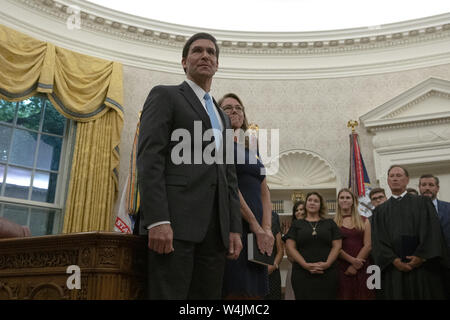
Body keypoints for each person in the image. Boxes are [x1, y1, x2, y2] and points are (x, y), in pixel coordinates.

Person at [136, 33, 243, 300]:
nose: (205, 55)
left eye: (211, 52)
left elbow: (229, 177)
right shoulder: (166, 96)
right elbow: (150, 160)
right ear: (184, 62)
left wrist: (233, 228)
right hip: (174, 225)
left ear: (217, 64)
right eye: (197, 51)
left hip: (215, 233)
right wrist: (158, 221)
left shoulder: (222, 117)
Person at [219, 93, 274, 299]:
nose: (234, 110)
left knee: (256, 294)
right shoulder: (218, 143)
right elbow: (230, 187)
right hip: (236, 226)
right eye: (228, 108)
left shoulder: (252, 150)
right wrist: (254, 224)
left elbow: (265, 192)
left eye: (238, 107)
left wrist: (267, 229)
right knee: (236, 291)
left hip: (259, 233)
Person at [371, 165, 449, 299]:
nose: (395, 179)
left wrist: (421, 256)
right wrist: (394, 260)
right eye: (392, 176)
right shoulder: (380, 211)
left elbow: (433, 232)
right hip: (394, 270)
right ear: (388, 181)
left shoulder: (423, 203)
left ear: (407, 180)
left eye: (399, 175)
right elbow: (378, 240)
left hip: (422, 268)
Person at [285, 192, 342, 300]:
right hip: (302, 273)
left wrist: (327, 264)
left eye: (316, 201)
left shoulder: (330, 223)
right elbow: (290, 247)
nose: (312, 203)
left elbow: (337, 246)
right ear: (306, 204)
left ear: (321, 205)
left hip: (328, 272)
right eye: (310, 200)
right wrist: (305, 265)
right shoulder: (297, 224)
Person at [334, 188, 374, 300]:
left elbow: (368, 245)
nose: (345, 200)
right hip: (342, 268)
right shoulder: (332, 223)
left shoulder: (364, 220)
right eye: (342, 198)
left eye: (348, 197)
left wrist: (355, 265)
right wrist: (352, 262)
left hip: (363, 266)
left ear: (353, 201)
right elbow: (335, 248)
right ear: (338, 201)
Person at [418, 174, 450, 298]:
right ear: (419, 188)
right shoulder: (411, 210)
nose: (427, 188)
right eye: (423, 185)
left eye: (431, 185)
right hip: (424, 266)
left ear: (437, 188)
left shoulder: (448, 208)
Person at [283, 200, 305, 300]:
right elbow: (289, 256)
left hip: (313, 268)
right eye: (296, 210)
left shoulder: (315, 227)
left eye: (301, 209)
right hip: (295, 267)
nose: (299, 212)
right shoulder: (291, 230)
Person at [265, 211, 284, 300]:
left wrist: (273, 266)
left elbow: (280, 250)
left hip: (272, 270)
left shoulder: (273, 216)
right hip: (253, 271)